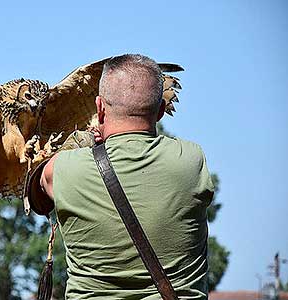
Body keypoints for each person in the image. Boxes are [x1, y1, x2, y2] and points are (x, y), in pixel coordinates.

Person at [31, 54, 214, 299]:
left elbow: (39, 181)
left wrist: (83, 142)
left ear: (99, 108)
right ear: (161, 109)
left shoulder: (66, 169)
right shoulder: (191, 160)